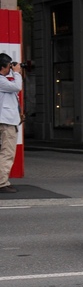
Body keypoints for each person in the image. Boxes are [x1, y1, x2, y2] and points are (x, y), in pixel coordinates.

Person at [0, 54, 23, 193]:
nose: (12, 67)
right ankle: (2, 182)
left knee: (5, 152)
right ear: (3, 66)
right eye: (10, 65)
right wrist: (17, 73)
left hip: (5, 120)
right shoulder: (1, 81)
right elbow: (17, 87)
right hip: (6, 122)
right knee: (7, 153)